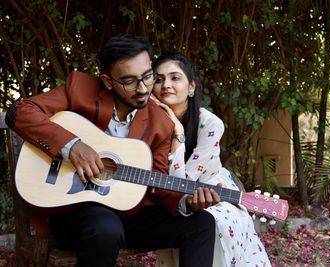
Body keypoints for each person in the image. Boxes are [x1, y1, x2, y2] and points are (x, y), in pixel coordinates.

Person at [5, 35, 221, 267]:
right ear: (108, 81)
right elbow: (21, 111)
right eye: (129, 81)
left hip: (128, 213)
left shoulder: (160, 122)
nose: (142, 88)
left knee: (202, 224)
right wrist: (73, 147)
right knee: (105, 227)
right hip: (75, 211)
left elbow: (158, 186)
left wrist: (187, 202)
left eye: (148, 77)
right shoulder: (81, 88)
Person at [152, 52, 272, 267]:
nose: (165, 85)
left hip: (211, 190)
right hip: (167, 195)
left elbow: (184, 183)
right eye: (158, 79)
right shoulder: (148, 121)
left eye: (175, 78)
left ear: (191, 87)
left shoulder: (210, 123)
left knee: (214, 224)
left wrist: (177, 132)